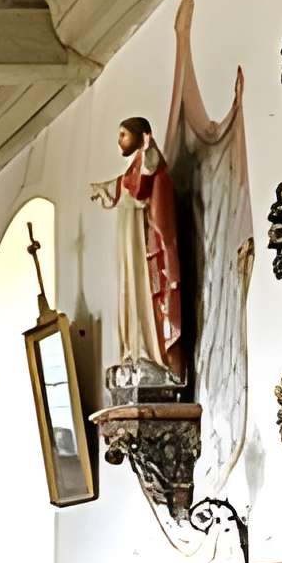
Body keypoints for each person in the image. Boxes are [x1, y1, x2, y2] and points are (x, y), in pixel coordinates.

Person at [91, 114, 189, 379]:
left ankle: (150, 352)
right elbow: (127, 185)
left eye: (123, 134)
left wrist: (146, 148)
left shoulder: (150, 160)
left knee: (146, 293)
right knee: (131, 292)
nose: (119, 141)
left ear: (140, 136)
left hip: (145, 244)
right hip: (131, 245)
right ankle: (136, 350)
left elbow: (138, 189)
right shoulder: (136, 166)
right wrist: (106, 188)